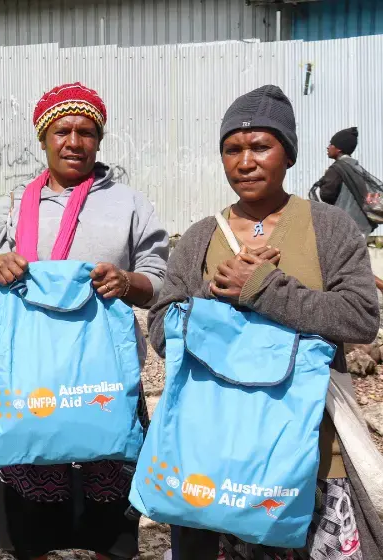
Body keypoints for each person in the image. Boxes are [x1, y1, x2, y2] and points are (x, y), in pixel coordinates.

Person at [149, 85, 380, 560]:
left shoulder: (328, 228)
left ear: (288, 154)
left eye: (261, 146)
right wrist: (217, 296)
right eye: (232, 149)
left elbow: (361, 318)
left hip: (312, 451)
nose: (246, 161)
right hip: (213, 451)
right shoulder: (200, 237)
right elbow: (160, 329)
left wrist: (265, 288)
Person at [0, 83, 168, 560]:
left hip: (101, 382)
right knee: (27, 532)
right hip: (29, 386)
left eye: (86, 131)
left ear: (99, 139)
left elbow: (161, 280)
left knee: (112, 532)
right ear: (43, 138)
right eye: (62, 130)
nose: (74, 141)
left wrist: (129, 282)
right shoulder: (11, 206)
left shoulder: (128, 205)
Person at [310, 127, 377, 235]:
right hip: (362, 225)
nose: (328, 147)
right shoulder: (356, 167)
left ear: (339, 149)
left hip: (344, 226)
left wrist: (323, 182)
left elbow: (326, 195)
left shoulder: (336, 169)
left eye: (331, 144)